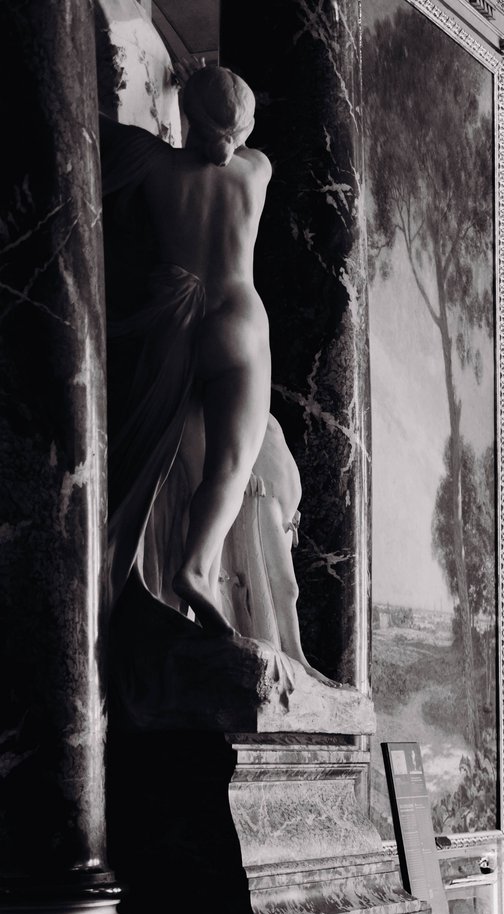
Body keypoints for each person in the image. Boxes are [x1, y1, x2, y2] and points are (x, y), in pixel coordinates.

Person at [99, 67, 280, 640]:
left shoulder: (152, 166)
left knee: (152, 452)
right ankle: (196, 568)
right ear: (244, 127)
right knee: (231, 466)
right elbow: (231, 143)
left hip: (176, 320)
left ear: (189, 118)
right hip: (238, 318)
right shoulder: (258, 169)